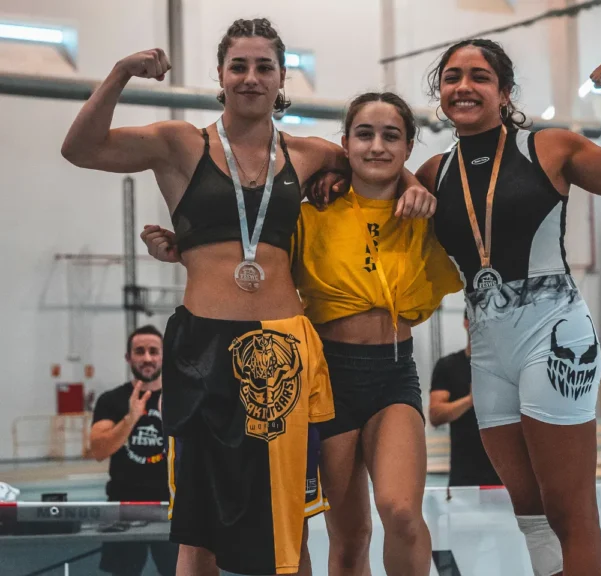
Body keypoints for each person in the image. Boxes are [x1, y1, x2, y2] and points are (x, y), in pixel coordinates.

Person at [62, 17, 433, 576]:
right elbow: (80, 149)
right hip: (201, 351)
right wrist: (119, 75)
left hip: (282, 352)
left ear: (282, 78)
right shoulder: (179, 144)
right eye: (239, 65)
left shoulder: (307, 154)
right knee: (198, 534)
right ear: (220, 74)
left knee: (290, 527)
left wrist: (416, 188)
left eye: (264, 66)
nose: (251, 77)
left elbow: (378, 159)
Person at [142, 92, 463, 576]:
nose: (377, 146)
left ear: (409, 145)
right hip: (326, 375)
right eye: (364, 134)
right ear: (345, 144)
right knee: (348, 533)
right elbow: (247, 257)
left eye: (391, 136)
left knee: (401, 512)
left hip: (393, 373)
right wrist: (186, 248)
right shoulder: (310, 209)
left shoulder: (423, 214)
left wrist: (415, 183)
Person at [415, 39, 601, 576]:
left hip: (553, 336)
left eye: (480, 77)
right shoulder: (432, 171)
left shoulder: (548, 148)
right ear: (440, 94)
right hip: (487, 349)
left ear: (504, 92)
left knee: (569, 510)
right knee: (530, 514)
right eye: (452, 77)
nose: (464, 86)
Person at [90, 325, 177, 576]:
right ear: (129, 357)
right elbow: (98, 449)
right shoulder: (111, 400)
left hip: (172, 507)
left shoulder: (181, 399)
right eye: (140, 351)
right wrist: (131, 418)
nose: (147, 358)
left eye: (153, 351)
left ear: (164, 356)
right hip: (122, 509)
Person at [429, 310, 500, 487]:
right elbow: (435, 415)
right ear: (466, 323)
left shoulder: (505, 365)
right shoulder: (448, 366)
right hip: (465, 477)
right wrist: (470, 400)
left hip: (504, 475)